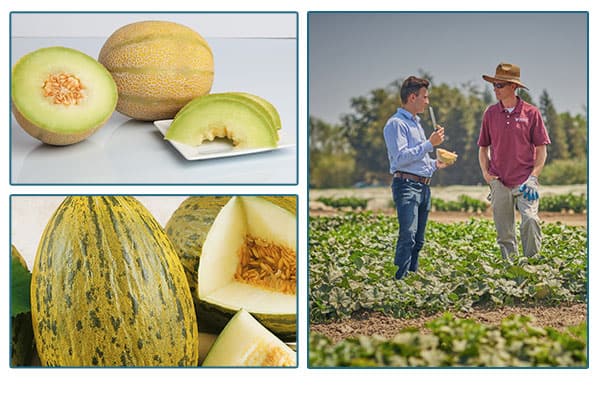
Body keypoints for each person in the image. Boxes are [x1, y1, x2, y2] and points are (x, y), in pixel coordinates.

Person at [477, 62, 551, 260]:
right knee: (505, 233)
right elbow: (483, 147)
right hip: (499, 181)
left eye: (500, 85)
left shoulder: (531, 113)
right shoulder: (490, 114)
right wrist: (486, 174)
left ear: (513, 86)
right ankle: (511, 273)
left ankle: (532, 266)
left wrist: (534, 177)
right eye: (494, 85)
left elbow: (541, 149)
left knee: (530, 220)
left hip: (525, 180)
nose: (495, 89)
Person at [383, 76, 449, 280]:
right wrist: (430, 144)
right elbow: (400, 158)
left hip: (423, 187)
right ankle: (398, 282)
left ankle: (410, 281)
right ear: (413, 97)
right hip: (406, 186)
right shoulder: (396, 124)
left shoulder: (416, 124)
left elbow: (419, 161)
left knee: (418, 240)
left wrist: (435, 164)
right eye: (425, 97)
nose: (427, 101)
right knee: (408, 237)